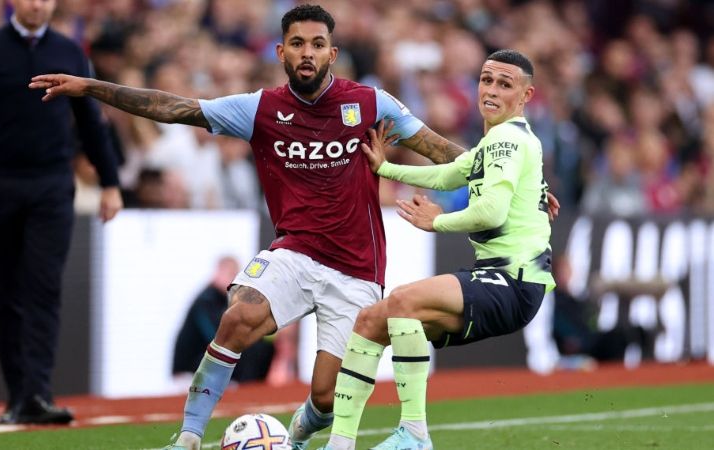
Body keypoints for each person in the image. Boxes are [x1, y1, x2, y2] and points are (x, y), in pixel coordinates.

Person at [29, 6, 557, 448]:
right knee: (239, 318)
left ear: (333, 52)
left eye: (318, 44)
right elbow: (175, 108)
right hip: (294, 252)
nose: (307, 52)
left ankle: (299, 438)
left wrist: (518, 185)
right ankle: (188, 438)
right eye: (297, 43)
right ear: (280, 53)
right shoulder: (259, 108)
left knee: (326, 398)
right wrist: (91, 87)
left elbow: (440, 150)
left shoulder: (369, 103)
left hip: (356, 269)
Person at [318, 49, 556, 450]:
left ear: (526, 95)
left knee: (402, 300)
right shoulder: (495, 144)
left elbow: (491, 210)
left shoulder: (507, 140)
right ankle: (339, 443)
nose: (492, 90)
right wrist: (385, 169)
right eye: (486, 79)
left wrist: (437, 222)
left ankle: (414, 432)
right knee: (371, 321)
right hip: (500, 280)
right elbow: (448, 174)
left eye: (505, 83)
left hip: (512, 281)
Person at [0, 0, 122, 425]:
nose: (36, 4)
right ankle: (17, 398)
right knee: (7, 292)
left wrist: (111, 182)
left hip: (51, 184)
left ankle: (38, 394)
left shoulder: (69, 50)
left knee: (43, 288)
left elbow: (90, 121)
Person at [172, 256, 275, 383]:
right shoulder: (205, 301)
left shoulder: (221, 300)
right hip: (189, 371)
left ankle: (252, 390)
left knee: (260, 347)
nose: (233, 280)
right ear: (218, 272)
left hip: (206, 365)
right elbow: (218, 335)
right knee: (245, 349)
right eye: (230, 274)